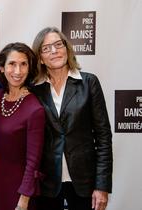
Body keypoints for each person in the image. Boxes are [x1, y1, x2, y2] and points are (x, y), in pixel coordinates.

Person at [30, 26, 113, 210]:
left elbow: (103, 137)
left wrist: (102, 185)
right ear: (40, 58)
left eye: (58, 44)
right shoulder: (34, 90)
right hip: (47, 185)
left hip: (85, 183)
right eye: (46, 48)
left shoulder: (89, 83)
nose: (54, 51)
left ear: (67, 48)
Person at [0, 42, 45, 210]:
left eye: (23, 64)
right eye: (12, 64)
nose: (18, 71)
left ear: (29, 68)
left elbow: (33, 161)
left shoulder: (35, 109)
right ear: (1, 68)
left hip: (19, 188)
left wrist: (24, 198)